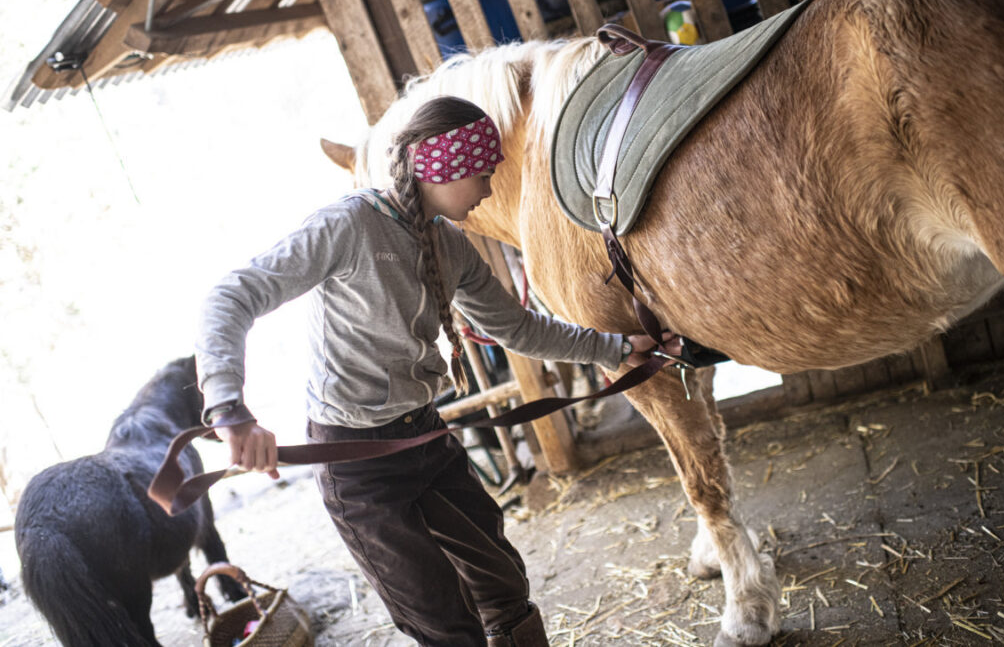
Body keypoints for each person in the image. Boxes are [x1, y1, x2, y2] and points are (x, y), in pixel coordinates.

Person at [194, 96, 662, 646]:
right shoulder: (349, 225)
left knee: (504, 584)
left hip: (426, 437)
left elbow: (517, 329)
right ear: (445, 169)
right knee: (443, 621)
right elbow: (231, 296)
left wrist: (613, 348)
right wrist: (229, 408)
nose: (488, 189)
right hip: (357, 462)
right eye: (483, 175)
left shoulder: (451, 245)